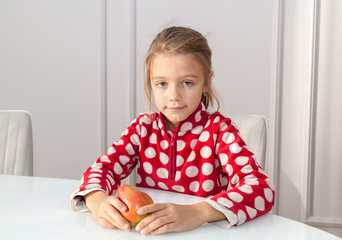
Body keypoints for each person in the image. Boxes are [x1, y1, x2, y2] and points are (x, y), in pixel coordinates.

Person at [71, 26, 275, 235]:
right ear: (150, 84)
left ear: (206, 81)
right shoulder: (142, 128)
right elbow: (103, 168)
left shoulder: (220, 131)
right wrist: (95, 199)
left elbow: (262, 189)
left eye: (187, 83)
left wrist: (199, 212)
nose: (174, 95)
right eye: (162, 83)